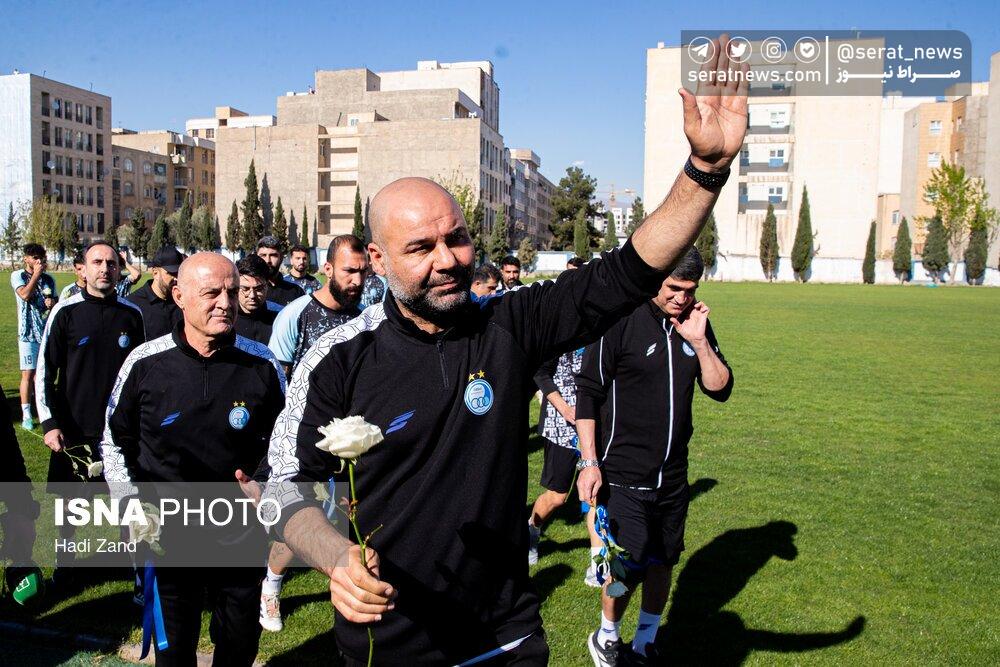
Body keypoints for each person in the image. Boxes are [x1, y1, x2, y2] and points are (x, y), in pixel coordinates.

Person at [101, 252, 286, 666]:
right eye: (211, 293)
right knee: (174, 651)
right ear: (180, 296)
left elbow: (284, 443)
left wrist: (266, 484)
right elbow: (114, 441)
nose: (226, 303)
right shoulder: (144, 362)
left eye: (232, 292)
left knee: (238, 646)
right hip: (169, 533)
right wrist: (129, 504)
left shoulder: (262, 363)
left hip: (239, 532)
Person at [576, 248, 734, 665]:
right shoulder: (620, 319)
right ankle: (607, 636)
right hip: (622, 475)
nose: (681, 298)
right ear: (656, 280)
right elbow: (588, 393)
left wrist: (699, 342)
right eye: (673, 288)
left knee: (663, 562)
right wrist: (589, 462)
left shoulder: (695, 323)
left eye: (690, 290)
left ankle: (645, 641)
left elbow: (720, 388)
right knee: (626, 567)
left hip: (673, 477)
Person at [35, 242, 145, 581]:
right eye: (97, 262)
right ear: (82, 268)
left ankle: (131, 563)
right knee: (69, 503)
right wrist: (50, 423)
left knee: (127, 498)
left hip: (121, 428)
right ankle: (65, 563)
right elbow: (44, 371)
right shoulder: (65, 312)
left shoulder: (132, 315)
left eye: (111, 263)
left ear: (119, 269)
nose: (105, 269)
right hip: (75, 426)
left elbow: (144, 374)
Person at [526, 257, 584, 567]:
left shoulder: (603, 322)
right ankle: (532, 529)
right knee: (559, 496)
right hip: (562, 424)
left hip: (596, 422)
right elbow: (540, 372)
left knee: (597, 493)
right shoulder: (555, 326)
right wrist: (563, 407)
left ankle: (599, 561)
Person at [268, 234, 367, 376]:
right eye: (349, 271)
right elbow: (278, 378)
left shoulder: (366, 318)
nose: (358, 281)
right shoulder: (294, 315)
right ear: (328, 269)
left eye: (363, 271)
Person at [11, 243, 57, 430]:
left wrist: (52, 302)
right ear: (26, 259)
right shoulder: (18, 276)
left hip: (45, 333)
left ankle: (43, 410)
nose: (39, 261)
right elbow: (24, 294)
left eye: (41, 258)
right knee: (28, 374)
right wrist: (36, 275)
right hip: (27, 334)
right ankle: (26, 414)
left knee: (43, 375)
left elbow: (55, 302)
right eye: (35, 258)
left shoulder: (49, 279)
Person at [127, 247, 184, 339]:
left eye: (179, 273)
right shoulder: (133, 305)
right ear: (155, 273)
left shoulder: (183, 300)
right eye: (171, 273)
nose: (176, 278)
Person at [235, 255, 278, 344]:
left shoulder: (280, 320)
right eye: (245, 289)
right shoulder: (225, 321)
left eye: (258, 289)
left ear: (267, 286)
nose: (252, 295)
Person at [256, 236, 304, 307]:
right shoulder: (248, 290)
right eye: (263, 255)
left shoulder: (296, 292)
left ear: (281, 258)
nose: (268, 260)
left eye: (273, 255)